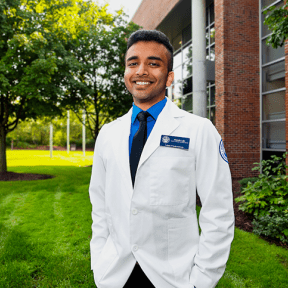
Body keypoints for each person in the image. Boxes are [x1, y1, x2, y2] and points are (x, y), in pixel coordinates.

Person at [89, 29, 235, 288]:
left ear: (169, 77)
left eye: (153, 64)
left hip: (173, 277)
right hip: (115, 274)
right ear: (125, 73)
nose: (141, 71)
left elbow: (218, 212)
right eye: (133, 63)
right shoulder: (108, 134)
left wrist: (201, 281)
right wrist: (99, 262)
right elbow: (100, 207)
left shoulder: (199, 131)